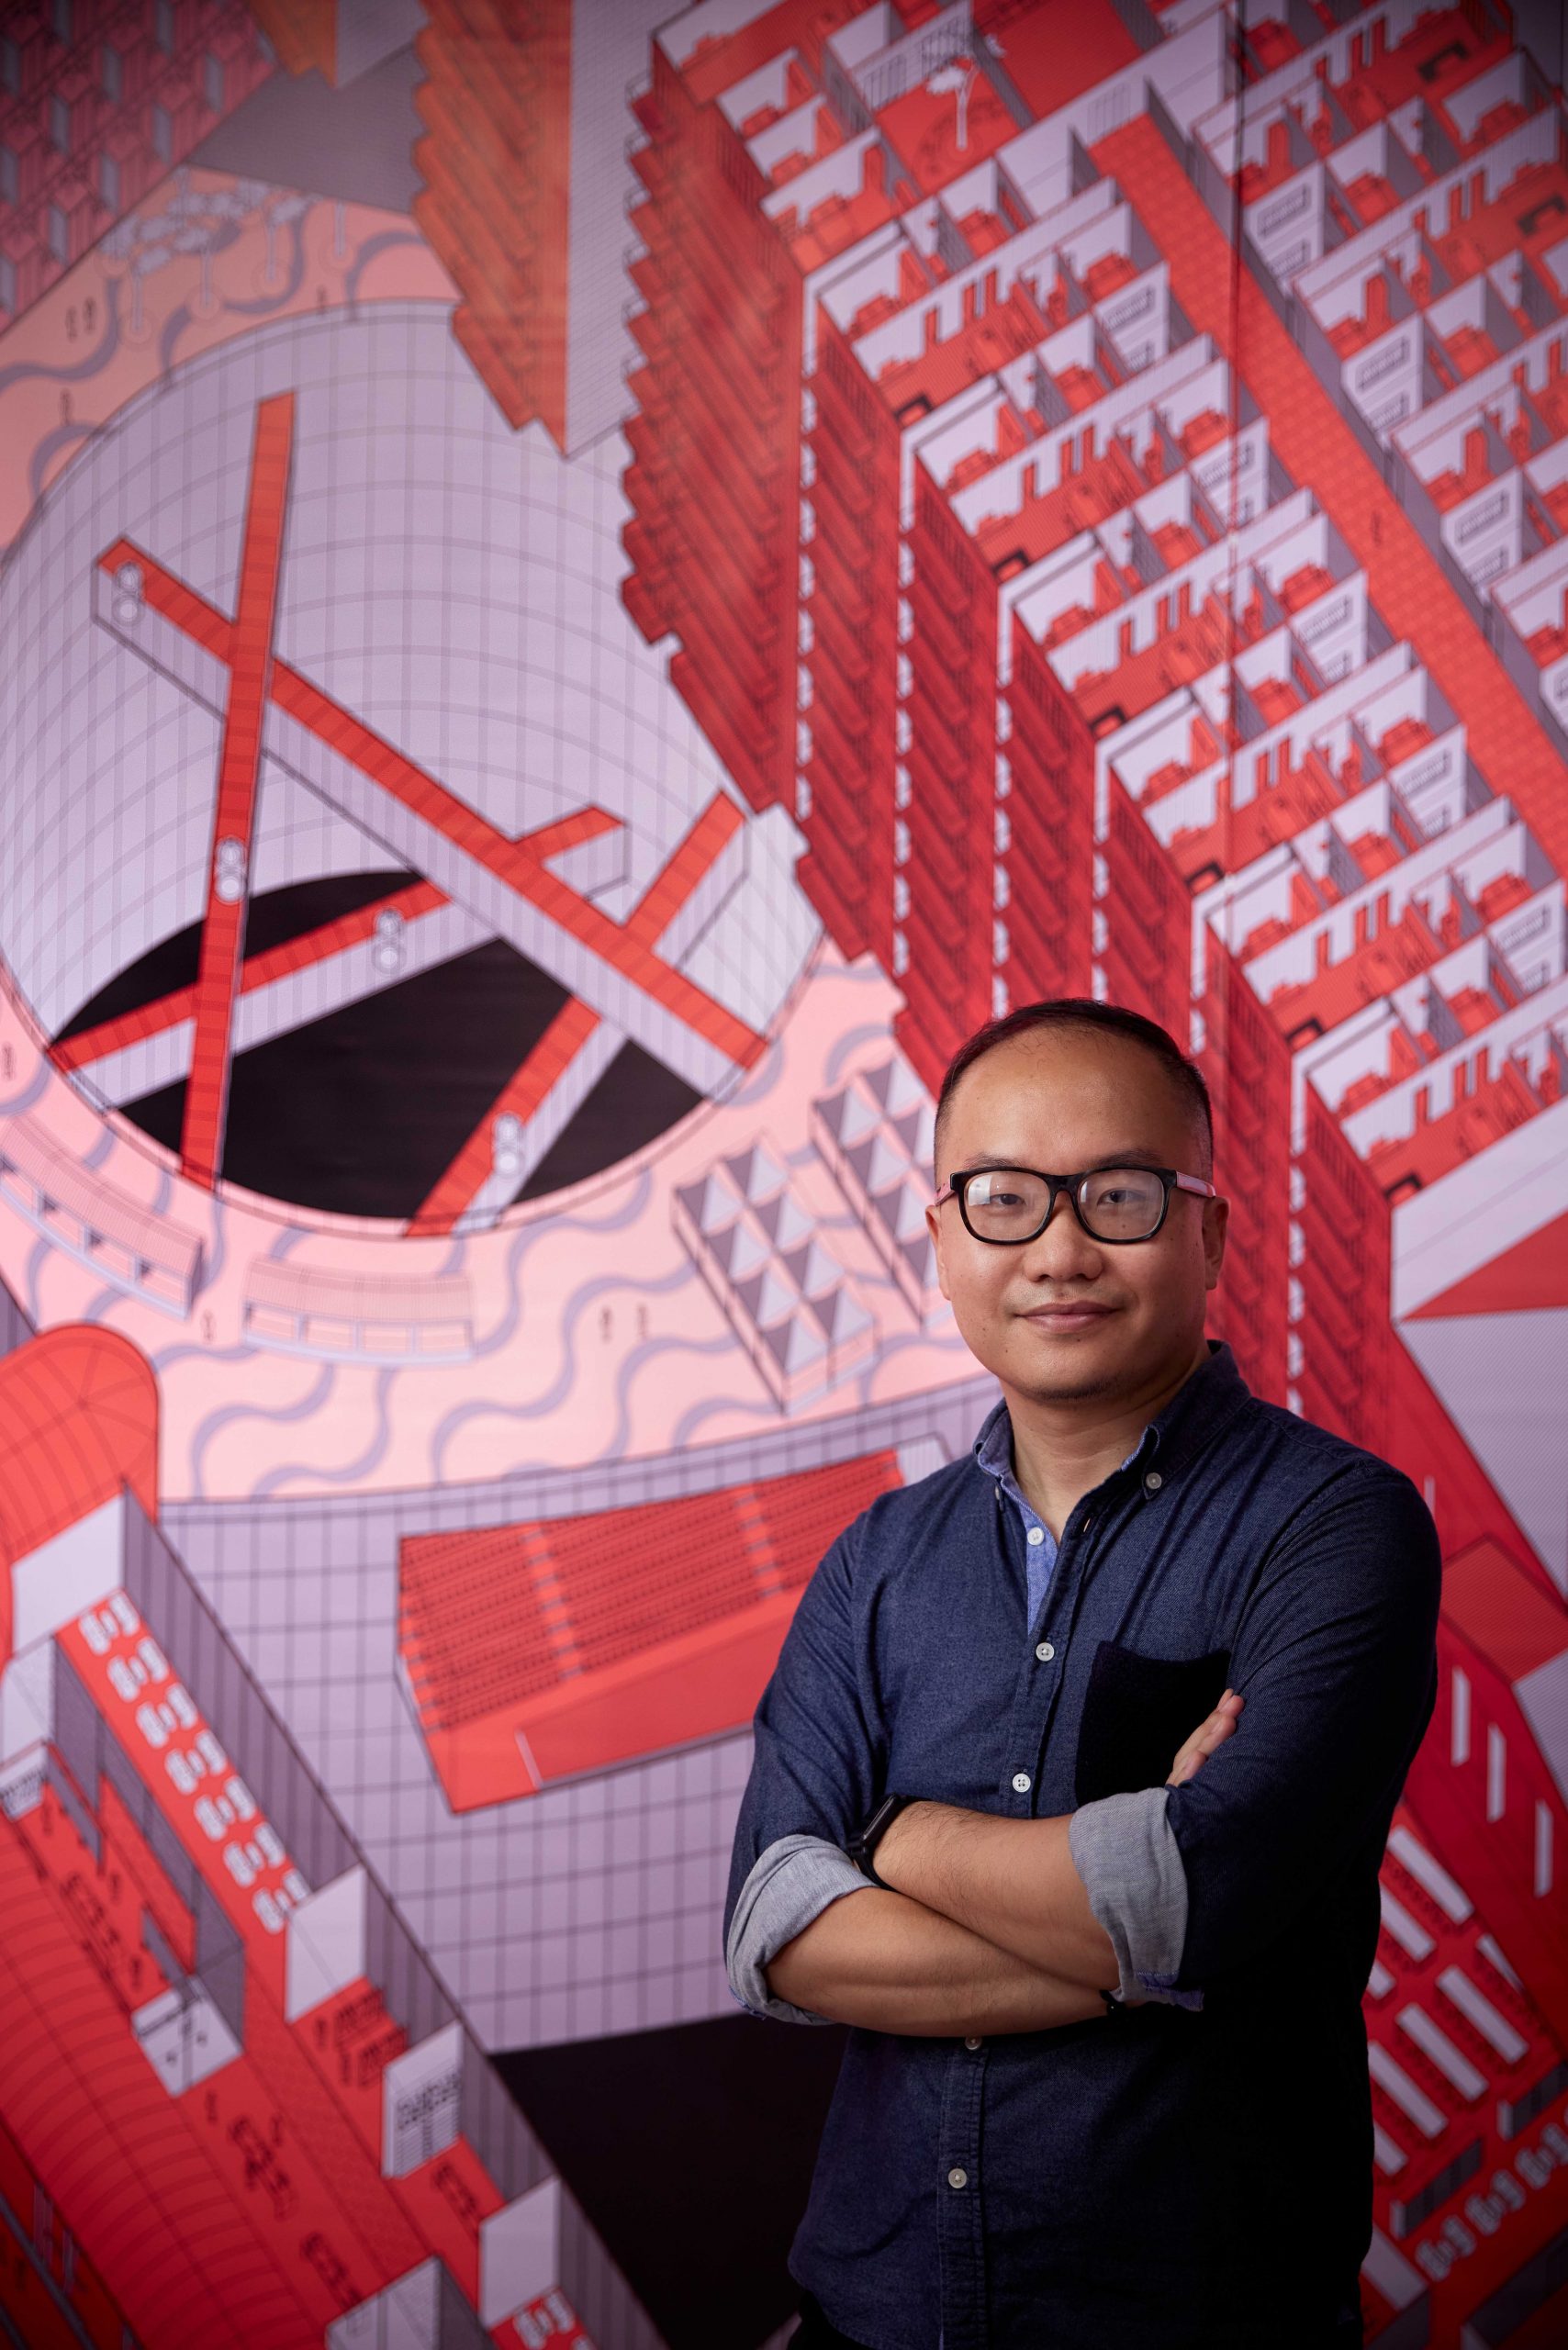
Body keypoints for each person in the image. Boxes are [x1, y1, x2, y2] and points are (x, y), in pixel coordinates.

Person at [722, 999, 1441, 2350]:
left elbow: (1199, 1894)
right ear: (941, 1244)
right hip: (867, 2316)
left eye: (1119, 1195)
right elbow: (777, 1932)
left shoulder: (1339, 1526)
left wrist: (904, 1842)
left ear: (1210, 1231)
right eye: (1004, 1199)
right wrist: (1151, 1940)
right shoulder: (877, 1562)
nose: (1060, 1248)